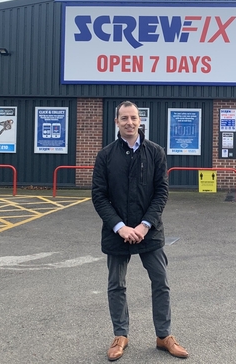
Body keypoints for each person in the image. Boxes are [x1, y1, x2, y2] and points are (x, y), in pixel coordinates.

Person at [92, 101, 188, 360]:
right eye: (124, 118)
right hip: (117, 232)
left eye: (133, 117)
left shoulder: (155, 152)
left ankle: (164, 336)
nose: (129, 122)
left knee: (160, 282)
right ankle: (120, 335)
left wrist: (145, 225)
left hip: (149, 231)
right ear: (117, 122)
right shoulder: (105, 156)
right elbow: (99, 196)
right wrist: (120, 227)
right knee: (116, 285)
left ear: (140, 120)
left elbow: (161, 192)